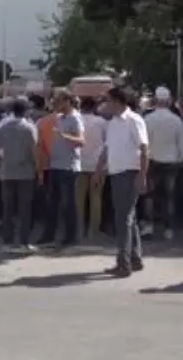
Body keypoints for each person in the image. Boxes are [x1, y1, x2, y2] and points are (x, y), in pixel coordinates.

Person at [94, 87, 149, 278]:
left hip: (129, 172)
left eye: (108, 100)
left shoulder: (134, 120)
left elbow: (144, 149)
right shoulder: (113, 123)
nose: (105, 104)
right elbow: (107, 148)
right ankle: (134, 258)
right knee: (129, 218)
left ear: (118, 101)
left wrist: (142, 175)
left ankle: (123, 263)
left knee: (122, 218)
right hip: (116, 173)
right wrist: (99, 169)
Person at [0, 97, 40, 252]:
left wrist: (1, 163)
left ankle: (7, 241)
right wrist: (38, 168)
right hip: (25, 172)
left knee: (8, 208)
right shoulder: (29, 128)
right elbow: (34, 151)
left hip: (6, 172)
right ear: (26, 111)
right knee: (24, 209)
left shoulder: (3, 127)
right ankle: (24, 242)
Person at [39, 89, 85, 247]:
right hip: (56, 165)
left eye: (57, 101)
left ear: (67, 101)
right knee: (52, 203)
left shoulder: (74, 118)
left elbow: (81, 141)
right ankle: (49, 234)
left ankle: (71, 237)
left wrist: (65, 136)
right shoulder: (60, 118)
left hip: (69, 167)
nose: (54, 104)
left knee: (68, 204)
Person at [144, 86, 183, 240]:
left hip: (152, 160)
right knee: (169, 197)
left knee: (149, 196)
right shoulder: (176, 120)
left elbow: (145, 143)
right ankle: (168, 229)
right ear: (169, 101)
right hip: (171, 162)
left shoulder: (148, 119)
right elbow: (180, 143)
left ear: (155, 99)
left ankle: (149, 225)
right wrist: (181, 159)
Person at [77, 96, 108, 239]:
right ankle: (93, 231)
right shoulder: (101, 122)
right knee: (96, 198)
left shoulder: (76, 120)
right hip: (97, 164)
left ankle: (79, 229)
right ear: (94, 108)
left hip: (78, 164)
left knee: (79, 199)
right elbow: (108, 143)